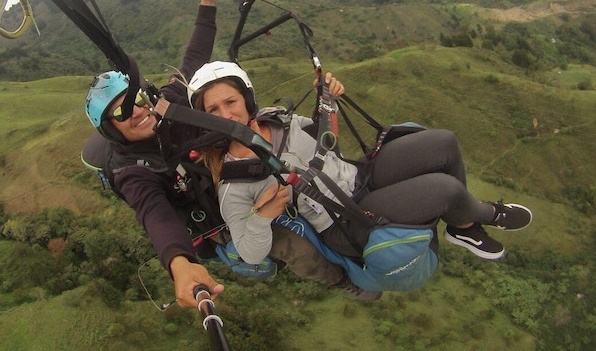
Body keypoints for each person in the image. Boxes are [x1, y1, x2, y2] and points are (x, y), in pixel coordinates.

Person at [82, 0, 356, 310]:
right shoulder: (132, 173)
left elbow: (193, 59)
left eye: (135, 99)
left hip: (243, 170)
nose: (137, 111)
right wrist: (180, 263)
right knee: (295, 248)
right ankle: (343, 280)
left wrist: (208, 2)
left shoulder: (166, 106)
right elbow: (156, 215)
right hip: (221, 216)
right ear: (111, 129)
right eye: (121, 113)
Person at [187, 61, 533, 280]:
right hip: (345, 219)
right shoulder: (234, 183)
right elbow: (250, 251)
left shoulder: (279, 120)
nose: (225, 114)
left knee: (444, 143)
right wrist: (263, 217)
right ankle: (482, 215)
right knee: (446, 191)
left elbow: (327, 140)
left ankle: (463, 227)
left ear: (246, 99)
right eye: (212, 109)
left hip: (357, 177)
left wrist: (329, 101)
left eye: (230, 102)